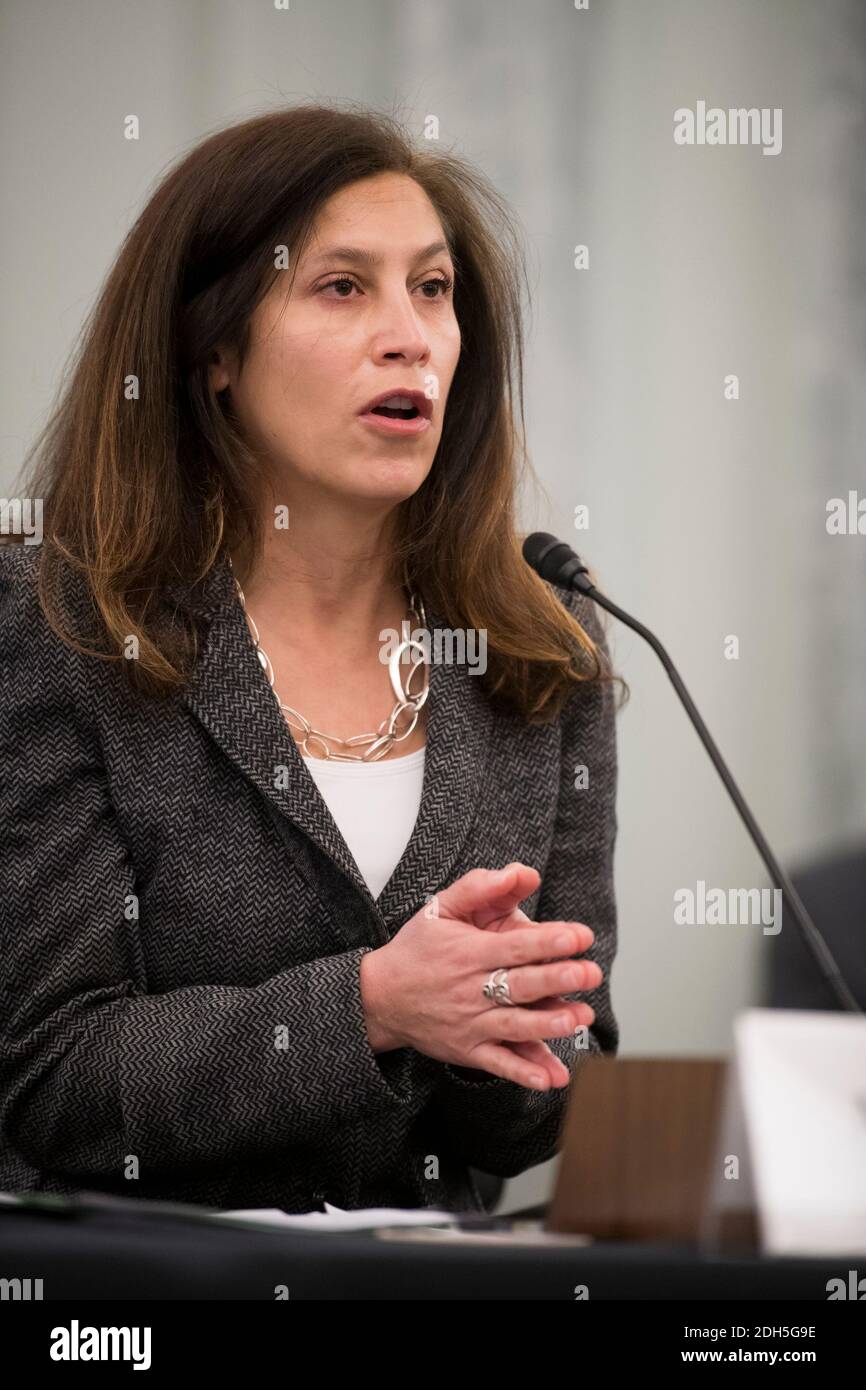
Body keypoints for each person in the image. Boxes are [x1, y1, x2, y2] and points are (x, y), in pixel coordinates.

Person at [0, 104, 625, 1214]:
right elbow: (51, 1072)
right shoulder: (60, 622)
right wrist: (373, 1006)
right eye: (343, 287)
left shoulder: (539, 647)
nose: (410, 336)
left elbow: (554, 1099)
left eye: (431, 290)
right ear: (216, 350)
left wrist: (511, 1024)